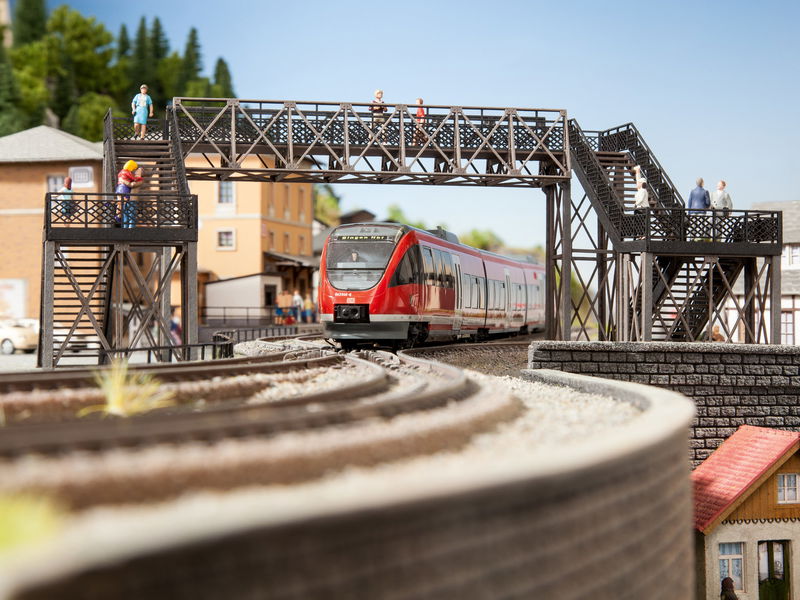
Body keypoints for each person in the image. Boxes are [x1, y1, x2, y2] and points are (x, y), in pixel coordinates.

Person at [115, 160, 143, 227]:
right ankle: (119, 217)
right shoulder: (126, 172)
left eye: (138, 171)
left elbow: (132, 184)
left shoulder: (140, 179)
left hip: (132, 198)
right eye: (135, 169)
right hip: (124, 191)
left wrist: (124, 181)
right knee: (123, 208)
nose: (135, 171)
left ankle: (129, 227)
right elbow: (131, 181)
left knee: (130, 214)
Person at [633, 165, 650, 238]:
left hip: (642, 209)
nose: (637, 184)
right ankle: (640, 234)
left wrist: (636, 204)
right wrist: (637, 171)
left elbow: (641, 199)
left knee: (642, 222)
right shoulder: (641, 190)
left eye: (638, 183)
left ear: (641, 184)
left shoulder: (643, 191)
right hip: (640, 208)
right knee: (639, 222)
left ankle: (643, 234)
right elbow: (638, 179)